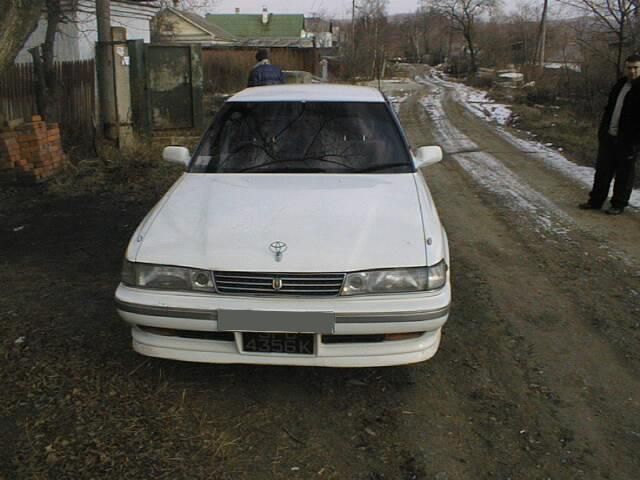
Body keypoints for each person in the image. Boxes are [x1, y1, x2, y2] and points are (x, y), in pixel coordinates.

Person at [579, 53, 640, 215]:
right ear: (625, 68)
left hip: (628, 141)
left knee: (624, 174)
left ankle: (618, 204)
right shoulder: (620, 84)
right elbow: (609, 108)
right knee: (602, 171)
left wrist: (634, 142)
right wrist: (603, 131)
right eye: (629, 68)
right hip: (609, 136)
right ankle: (596, 201)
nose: (632, 71)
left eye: (636, 68)